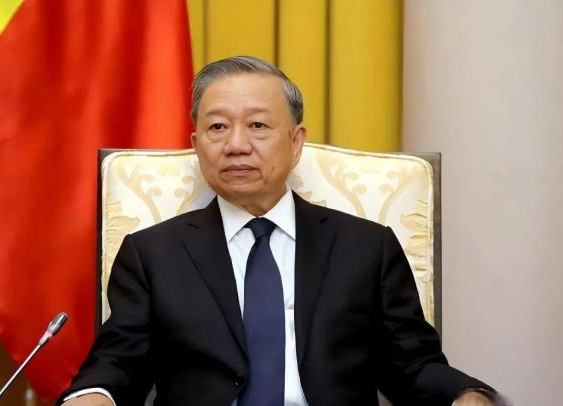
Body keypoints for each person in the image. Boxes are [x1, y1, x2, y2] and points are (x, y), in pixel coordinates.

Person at [59, 56, 503, 405]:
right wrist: (94, 395)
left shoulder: (367, 247)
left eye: (257, 125)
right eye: (217, 127)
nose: (236, 145)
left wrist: (466, 394)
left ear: (295, 143)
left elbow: (412, 364)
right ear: (196, 145)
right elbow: (119, 361)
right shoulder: (152, 254)